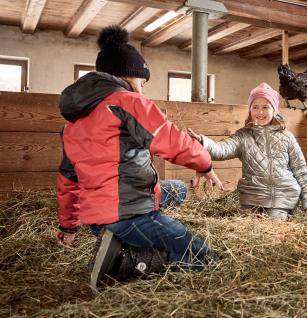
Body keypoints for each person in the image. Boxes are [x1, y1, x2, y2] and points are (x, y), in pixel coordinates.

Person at [55, 25, 224, 292]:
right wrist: (205, 164)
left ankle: (117, 240)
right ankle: (127, 262)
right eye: (141, 83)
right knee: (204, 257)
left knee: (177, 190)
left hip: (97, 217)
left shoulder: (73, 123)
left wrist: (68, 225)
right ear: (128, 77)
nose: (142, 90)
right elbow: (170, 140)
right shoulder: (127, 102)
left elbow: (67, 181)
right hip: (129, 213)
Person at [188, 82, 307, 220]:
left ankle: (284, 216)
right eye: (255, 107)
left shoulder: (287, 137)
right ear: (250, 110)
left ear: (274, 110)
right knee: (251, 227)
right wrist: (202, 142)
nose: (260, 112)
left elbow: (301, 170)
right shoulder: (243, 136)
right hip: (252, 198)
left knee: (273, 227)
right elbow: (222, 149)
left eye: (265, 107)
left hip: (282, 197)